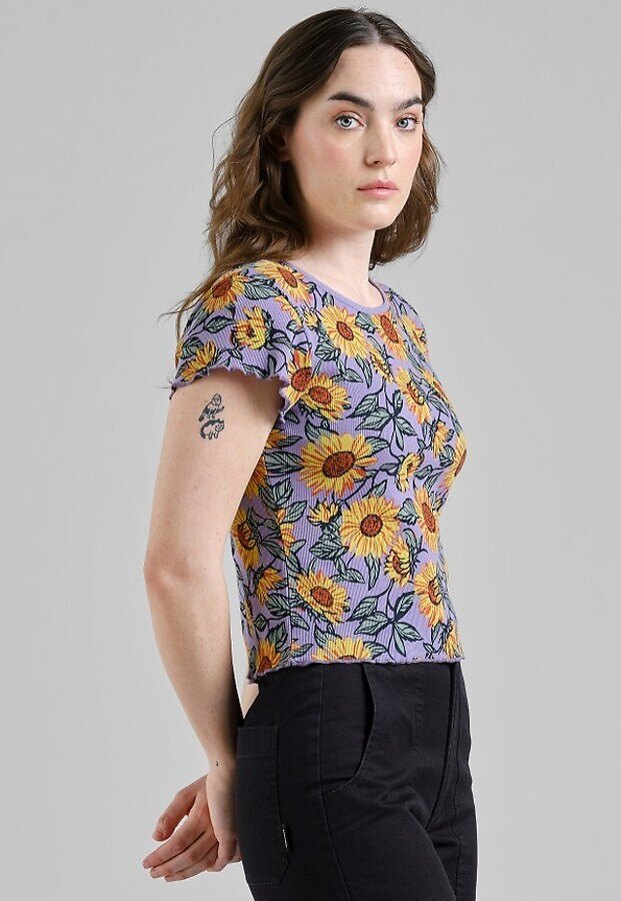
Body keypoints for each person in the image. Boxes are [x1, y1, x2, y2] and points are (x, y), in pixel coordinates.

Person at [142, 8, 477, 900]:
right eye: (346, 116)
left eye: (405, 118)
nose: (383, 149)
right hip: (329, 711)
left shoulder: (397, 321)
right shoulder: (256, 307)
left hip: (436, 718)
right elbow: (177, 561)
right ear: (280, 136)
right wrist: (231, 757)